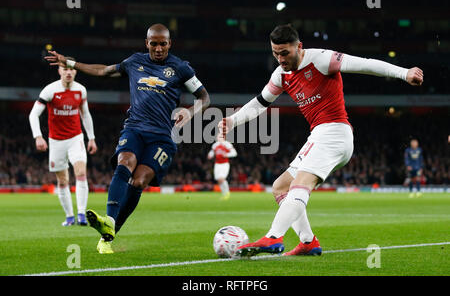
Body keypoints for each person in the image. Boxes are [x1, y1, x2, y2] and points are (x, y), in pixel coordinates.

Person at [219, 24, 424, 257]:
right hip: (319, 134)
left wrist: (403, 73)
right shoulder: (281, 75)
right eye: (275, 53)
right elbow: (260, 102)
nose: (280, 58)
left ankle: (273, 237)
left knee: (300, 184)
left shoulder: (322, 59)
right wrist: (232, 121)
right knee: (281, 187)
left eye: (285, 53)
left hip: (335, 132)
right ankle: (308, 242)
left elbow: (365, 63)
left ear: (299, 47)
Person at [45, 23, 210, 254]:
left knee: (139, 182)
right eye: (154, 44)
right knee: (125, 163)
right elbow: (103, 71)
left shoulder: (181, 68)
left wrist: (189, 111)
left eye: (163, 44)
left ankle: (109, 234)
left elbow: (204, 97)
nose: (159, 48)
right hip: (135, 129)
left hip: (163, 137)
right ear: (147, 43)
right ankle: (109, 222)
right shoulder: (135, 62)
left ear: (170, 43)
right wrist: (70, 63)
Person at [29, 57, 98, 226]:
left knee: (81, 173)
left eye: (71, 69)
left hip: (76, 138)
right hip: (56, 141)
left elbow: (85, 114)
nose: (68, 72)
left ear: (75, 71)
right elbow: (33, 114)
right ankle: (69, 216)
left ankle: (81, 214)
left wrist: (92, 138)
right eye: (64, 69)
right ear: (59, 71)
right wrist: (38, 136)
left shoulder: (81, 90)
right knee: (62, 180)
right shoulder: (50, 90)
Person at [207, 135, 237, 200]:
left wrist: (227, 155)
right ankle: (224, 194)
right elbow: (212, 152)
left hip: (224, 164)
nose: (219, 138)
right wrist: (210, 155)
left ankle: (227, 193)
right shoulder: (215, 145)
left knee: (221, 178)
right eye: (218, 136)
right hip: (217, 164)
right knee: (218, 180)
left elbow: (234, 153)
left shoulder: (227, 144)